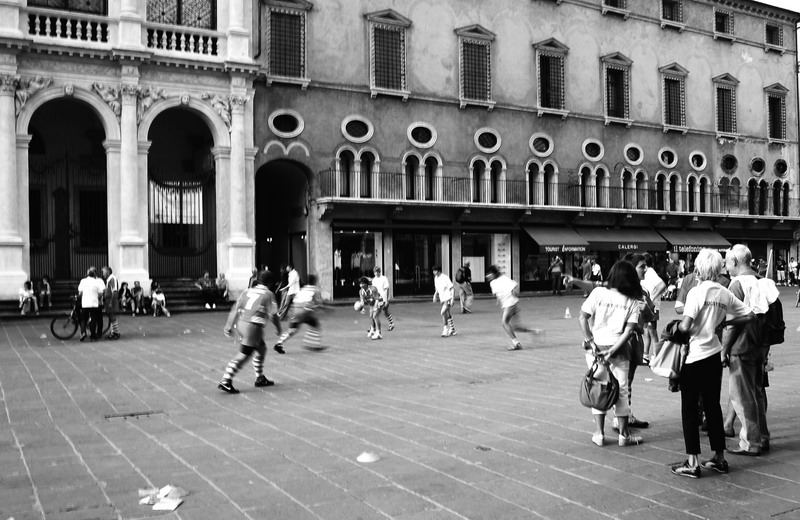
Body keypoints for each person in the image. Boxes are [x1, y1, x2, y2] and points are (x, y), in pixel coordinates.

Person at [671, 249, 753, 479]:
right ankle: (719, 457)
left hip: (695, 356)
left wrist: (675, 329)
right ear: (718, 269)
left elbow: (686, 326)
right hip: (714, 355)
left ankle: (692, 461)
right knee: (713, 407)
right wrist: (724, 323)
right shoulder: (723, 293)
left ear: (699, 268)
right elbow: (750, 315)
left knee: (689, 408)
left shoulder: (696, 293)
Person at [578, 261, 643, 448]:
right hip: (619, 349)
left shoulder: (599, 293)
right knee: (622, 391)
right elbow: (629, 331)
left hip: (595, 350)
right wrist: (613, 350)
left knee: (599, 388)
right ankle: (624, 435)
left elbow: (582, 317)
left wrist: (590, 341)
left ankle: (599, 433)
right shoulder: (632, 301)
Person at [722, 244, 778, 456]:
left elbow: (731, 324)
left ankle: (750, 442)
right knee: (756, 393)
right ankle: (762, 436)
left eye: (727, 262)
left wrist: (724, 350)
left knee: (742, 397)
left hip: (741, 347)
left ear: (735, 262)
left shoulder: (736, 284)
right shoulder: (763, 282)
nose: (726, 268)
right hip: (759, 347)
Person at [217, 270, 279, 394]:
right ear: (270, 283)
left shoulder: (247, 291)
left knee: (261, 348)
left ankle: (260, 377)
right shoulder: (268, 294)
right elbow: (273, 315)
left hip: (241, 323)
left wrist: (228, 326)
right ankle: (226, 380)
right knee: (244, 354)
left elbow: (235, 308)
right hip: (253, 326)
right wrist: (279, 328)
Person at [274, 274, 325, 351]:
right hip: (305, 311)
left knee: (292, 330)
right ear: (315, 281)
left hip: (296, 310)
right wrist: (320, 308)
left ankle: (279, 343)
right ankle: (312, 344)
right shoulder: (315, 289)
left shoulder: (303, 289)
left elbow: (295, 300)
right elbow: (318, 302)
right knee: (315, 325)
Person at [485, 264, 527, 351]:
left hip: (510, 303)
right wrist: (499, 301)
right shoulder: (492, 283)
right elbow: (498, 294)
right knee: (516, 327)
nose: (487, 276)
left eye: (489, 274)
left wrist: (514, 293)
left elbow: (515, 285)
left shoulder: (503, 279)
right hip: (509, 304)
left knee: (504, 323)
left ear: (494, 274)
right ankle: (535, 331)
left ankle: (516, 343)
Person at [77, 267, 105, 341]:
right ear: (94, 275)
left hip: (85, 303)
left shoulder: (83, 281)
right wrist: (97, 297)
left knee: (83, 319)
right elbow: (101, 293)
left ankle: (83, 332)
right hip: (94, 303)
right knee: (93, 319)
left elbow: (80, 292)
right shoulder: (96, 282)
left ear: (87, 275)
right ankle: (93, 335)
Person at [432, 266, 456, 337]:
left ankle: (445, 329)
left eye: (435, 271)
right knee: (447, 313)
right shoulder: (436, 278)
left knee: (443, 312)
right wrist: (435, 295)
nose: (434, 272)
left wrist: (452, 299)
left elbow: (452, 288)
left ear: (439, 271)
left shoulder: (445, 277)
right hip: (442, 298)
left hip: (448, 298)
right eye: (433, 271)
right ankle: (452, 329)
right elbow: (437, 288)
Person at [371, 267, 395, 331]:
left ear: (379, 272)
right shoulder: (374, 280)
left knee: (383, 312)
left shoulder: (384, 278)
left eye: (377, 272)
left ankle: (390, 324)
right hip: (377, 298)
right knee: (376, 312)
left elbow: (387, 289)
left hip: (383, 298)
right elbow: (374, 289)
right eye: (375, 272)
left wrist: (387, 299)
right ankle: (373, 327)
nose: (376, 273)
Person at [101, 266, 120, 340]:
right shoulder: (109, 279)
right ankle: (113, 332)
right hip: (108, 300)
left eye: (103, 272)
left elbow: (114, 291)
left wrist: (111, 302)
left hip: (111, 300)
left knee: (112, 317)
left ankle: (116, 332)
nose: (102, 274)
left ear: (108, 272)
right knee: (111, 317)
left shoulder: (112, 278)